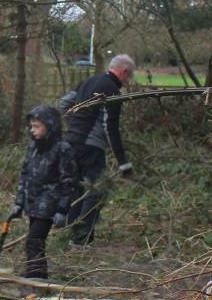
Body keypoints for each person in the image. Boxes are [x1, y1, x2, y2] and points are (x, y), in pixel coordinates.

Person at [59, 54, 135, 247]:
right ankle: (81, 238)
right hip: (91, 147)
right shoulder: (111, 90)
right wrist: (123, 162)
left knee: (77, 189)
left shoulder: (89, 81)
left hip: (70, 142)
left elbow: (64, 103)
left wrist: (74, 124)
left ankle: (71, 232)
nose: (128, 81)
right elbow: (111, 128)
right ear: (124, 72)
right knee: (96, 191)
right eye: (129, 76)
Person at [10, 105, 76, 280]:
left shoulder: (62, 149)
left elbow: (68, 181)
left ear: (50, 126)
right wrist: (18, 202)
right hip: (32, 202)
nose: (33, 130)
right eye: (31, 126)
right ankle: (38, 274)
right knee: (35, 242)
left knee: (34, 240)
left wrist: (62, 209)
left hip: (49, 203)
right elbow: (25, 175)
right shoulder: (34, 147)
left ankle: (35, 278)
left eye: (37, 126)